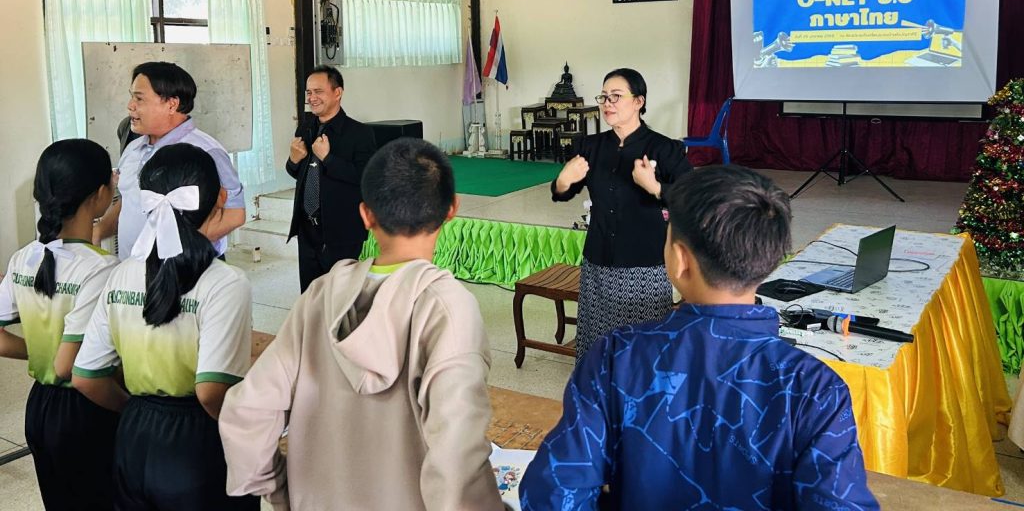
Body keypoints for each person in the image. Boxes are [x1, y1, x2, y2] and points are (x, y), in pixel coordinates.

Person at [520, 166, 879, 510]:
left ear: (679, 259)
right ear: (770, 260)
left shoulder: (616, 356)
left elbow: (553, 493)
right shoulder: (816, 387)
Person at [219, 138, 503, 511]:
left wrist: (282, 490)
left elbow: (246, 410)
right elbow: (457, 460)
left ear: (366, 215)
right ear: (452, 209)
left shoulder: (320, 295)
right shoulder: (449, 309)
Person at [72, 143, 257, 511]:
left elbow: (85, 377)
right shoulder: (225, 282)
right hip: (199, 442)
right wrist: (252, 430)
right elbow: (211, 392)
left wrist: (137, 411)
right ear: (220, 197)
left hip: (132, 439)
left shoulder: (121, 274)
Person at [0, 139, 119, 510]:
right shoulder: (100, 268)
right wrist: (130, 408)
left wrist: (41, 350)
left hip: (39, 408)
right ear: (100, 194)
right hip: (86, 411)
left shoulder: (24, 257)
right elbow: (70, 368)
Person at [551, 67, 690, 360]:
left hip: (645, 266)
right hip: (598, 261)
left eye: (616, 96)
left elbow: (694, 198)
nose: (607, 104)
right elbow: (562, 192)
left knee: (642, 353)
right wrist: (563, 180)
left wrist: (655, 187)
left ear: (639, 101)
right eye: (603, 97)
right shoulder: (590, 147)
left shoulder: (664, 149)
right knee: (596, 349)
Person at [92, 61, 245, 259]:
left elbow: (234, 214)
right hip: (133, 270)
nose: (130, 106)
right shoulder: (133, 148)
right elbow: (131, 200)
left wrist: (176, 255)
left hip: (187, 271)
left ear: (172, 104)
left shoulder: (207, 151)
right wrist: (99, 231)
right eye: (131, 97)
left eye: (139, 99)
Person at [286, 65, 376, 292]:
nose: (312, 98)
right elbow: (298, 173)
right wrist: (293, 161)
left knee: (338, 296)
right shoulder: (305, 129)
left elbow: (366, 178)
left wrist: (328, 159)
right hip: (307, 229)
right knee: (310, 295)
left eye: (318, 91)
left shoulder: (360, 133)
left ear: (338, 93)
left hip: (341, 232)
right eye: (309, 92)